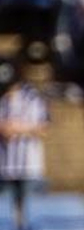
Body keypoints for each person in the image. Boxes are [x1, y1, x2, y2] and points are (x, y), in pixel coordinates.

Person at [0, 68, 47, 222]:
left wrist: (18, 128)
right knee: (5, 217)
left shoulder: (32, 98)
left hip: (29, 168)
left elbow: (43, 127)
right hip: (4, 169)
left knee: (32, 217)